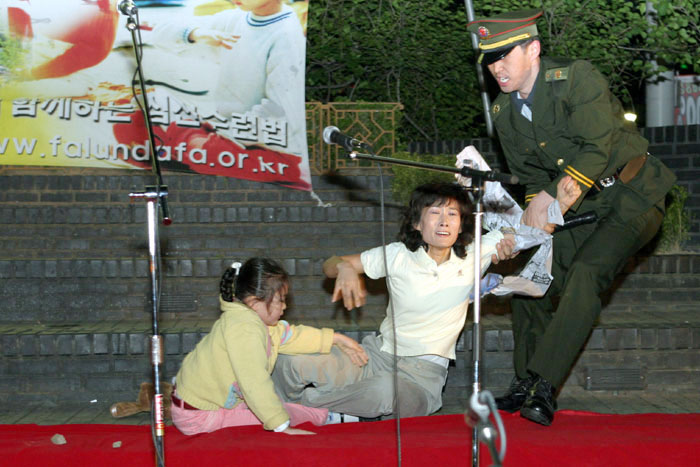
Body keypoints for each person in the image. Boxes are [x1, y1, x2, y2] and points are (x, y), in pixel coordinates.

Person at [467, 9, 676, 426]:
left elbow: (597, 147)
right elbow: (531, 178)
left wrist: (552, 197)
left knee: (585, 273)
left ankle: (545, 385)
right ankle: (526, 380)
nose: (497, 68)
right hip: (577, 208)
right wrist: (534, 222)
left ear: (533, 50)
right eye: (490, 60)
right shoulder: (505, 113)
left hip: (630, 196)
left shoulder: (576, 78)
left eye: (505, 55)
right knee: (530, 277)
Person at [272, 181, 581, 419]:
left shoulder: (476, 253)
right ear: (417, 224)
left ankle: (306, 410)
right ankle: (293, 415)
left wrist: (562, 205)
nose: (444, 221)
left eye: (452, 214)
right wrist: (343, 268)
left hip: (421, 378)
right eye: (434, 213)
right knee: (290, 363)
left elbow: (532, 231)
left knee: (384, 393)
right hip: (374, 357)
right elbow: (332, 263)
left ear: (461, 224)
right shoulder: (398, 255)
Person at [170, 257, 368, 436]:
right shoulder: (244, 328)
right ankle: (332, 419)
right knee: (282, 414)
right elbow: (254, 381)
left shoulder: (253, 320)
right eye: (280, 300)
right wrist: (281, 425)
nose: (285, 306)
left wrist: (335, 338)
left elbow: (291, 336)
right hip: (200, 416)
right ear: (254, 301)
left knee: (280, 408)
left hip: (213, 405)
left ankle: (331, 417)